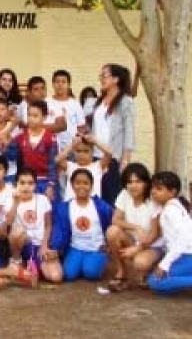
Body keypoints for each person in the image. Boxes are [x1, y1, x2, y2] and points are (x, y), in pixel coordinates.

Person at [47, 168, 112, 282]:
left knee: (90, 273)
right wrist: (55, 248)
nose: (81, 186)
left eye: (86, 183)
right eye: (77, 183)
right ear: (72, 185)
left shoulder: (101, 206)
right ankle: (82, 262)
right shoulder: (64, 208)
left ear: (91, 186)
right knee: (69, 274)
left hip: (96, 248)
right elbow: (59, 231)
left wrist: (108, 244)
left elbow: (111, 223)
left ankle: (98, 262)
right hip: (75, 248)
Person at [106, 163, 163, 292]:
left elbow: (156, 234)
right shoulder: (125, 194)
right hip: (134, 240)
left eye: (138, 181)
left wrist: (137, 248)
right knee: (112, 231)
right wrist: (135, 227)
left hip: (153, 245)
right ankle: (122, 272)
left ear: (146, 182)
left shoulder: (153, 200)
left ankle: (152, 269)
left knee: (140, 263)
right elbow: (115, 219)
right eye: (129, 182)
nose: (133, 186)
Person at [92, 63, 136, 204]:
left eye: (104, 75)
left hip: (114, 157)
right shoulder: (99, 102)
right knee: (97, 195)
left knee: (112, 197)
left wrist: (125, 158)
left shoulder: (125, 101)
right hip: (95, 156)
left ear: (116, 79)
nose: (101, 78)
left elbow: (129, 131)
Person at [6, 168, 59, 283]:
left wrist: (44, 245)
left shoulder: (43, 199)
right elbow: (8, 223)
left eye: (30, 183)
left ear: (35, 185)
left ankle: (32, 263)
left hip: (40, 244)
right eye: (22, 183)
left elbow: (48, 225)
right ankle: (16, 260)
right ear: (16, 184)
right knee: (17, 232)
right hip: (22, 243)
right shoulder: (10, 200)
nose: (26, 187)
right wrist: (15, 203)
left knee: (56, 277)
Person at [146, 171, 192, 295]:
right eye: (153, 188)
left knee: (155, 281)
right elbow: (167, 237)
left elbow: (183, 237)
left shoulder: (171, 210)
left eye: (159, 189)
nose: (153, 191)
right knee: (164, 289)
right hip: (182, 255)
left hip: (186, 255)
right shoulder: (168, 207)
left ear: (172, 192)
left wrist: (165, 264)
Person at [5, 100, 58, 200]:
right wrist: (8, 137)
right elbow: (11, 157)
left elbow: (53, 163)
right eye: (29, 115)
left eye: (35, 116)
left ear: (44, 117)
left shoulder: (50, 138)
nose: (31, 119)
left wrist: (51, 185)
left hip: (45, 181)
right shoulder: (20, 137)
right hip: (26, 182)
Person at [56, 134, 112, 200]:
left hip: (93, 207)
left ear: (92, 152)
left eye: (86, 151)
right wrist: (72, 145)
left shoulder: (98, 166)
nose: (82, 155)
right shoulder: (70, 166)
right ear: (74, 151)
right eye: (78, 151)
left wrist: (95, 141)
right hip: (71, 207)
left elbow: (109, 153)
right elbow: (58, 159)